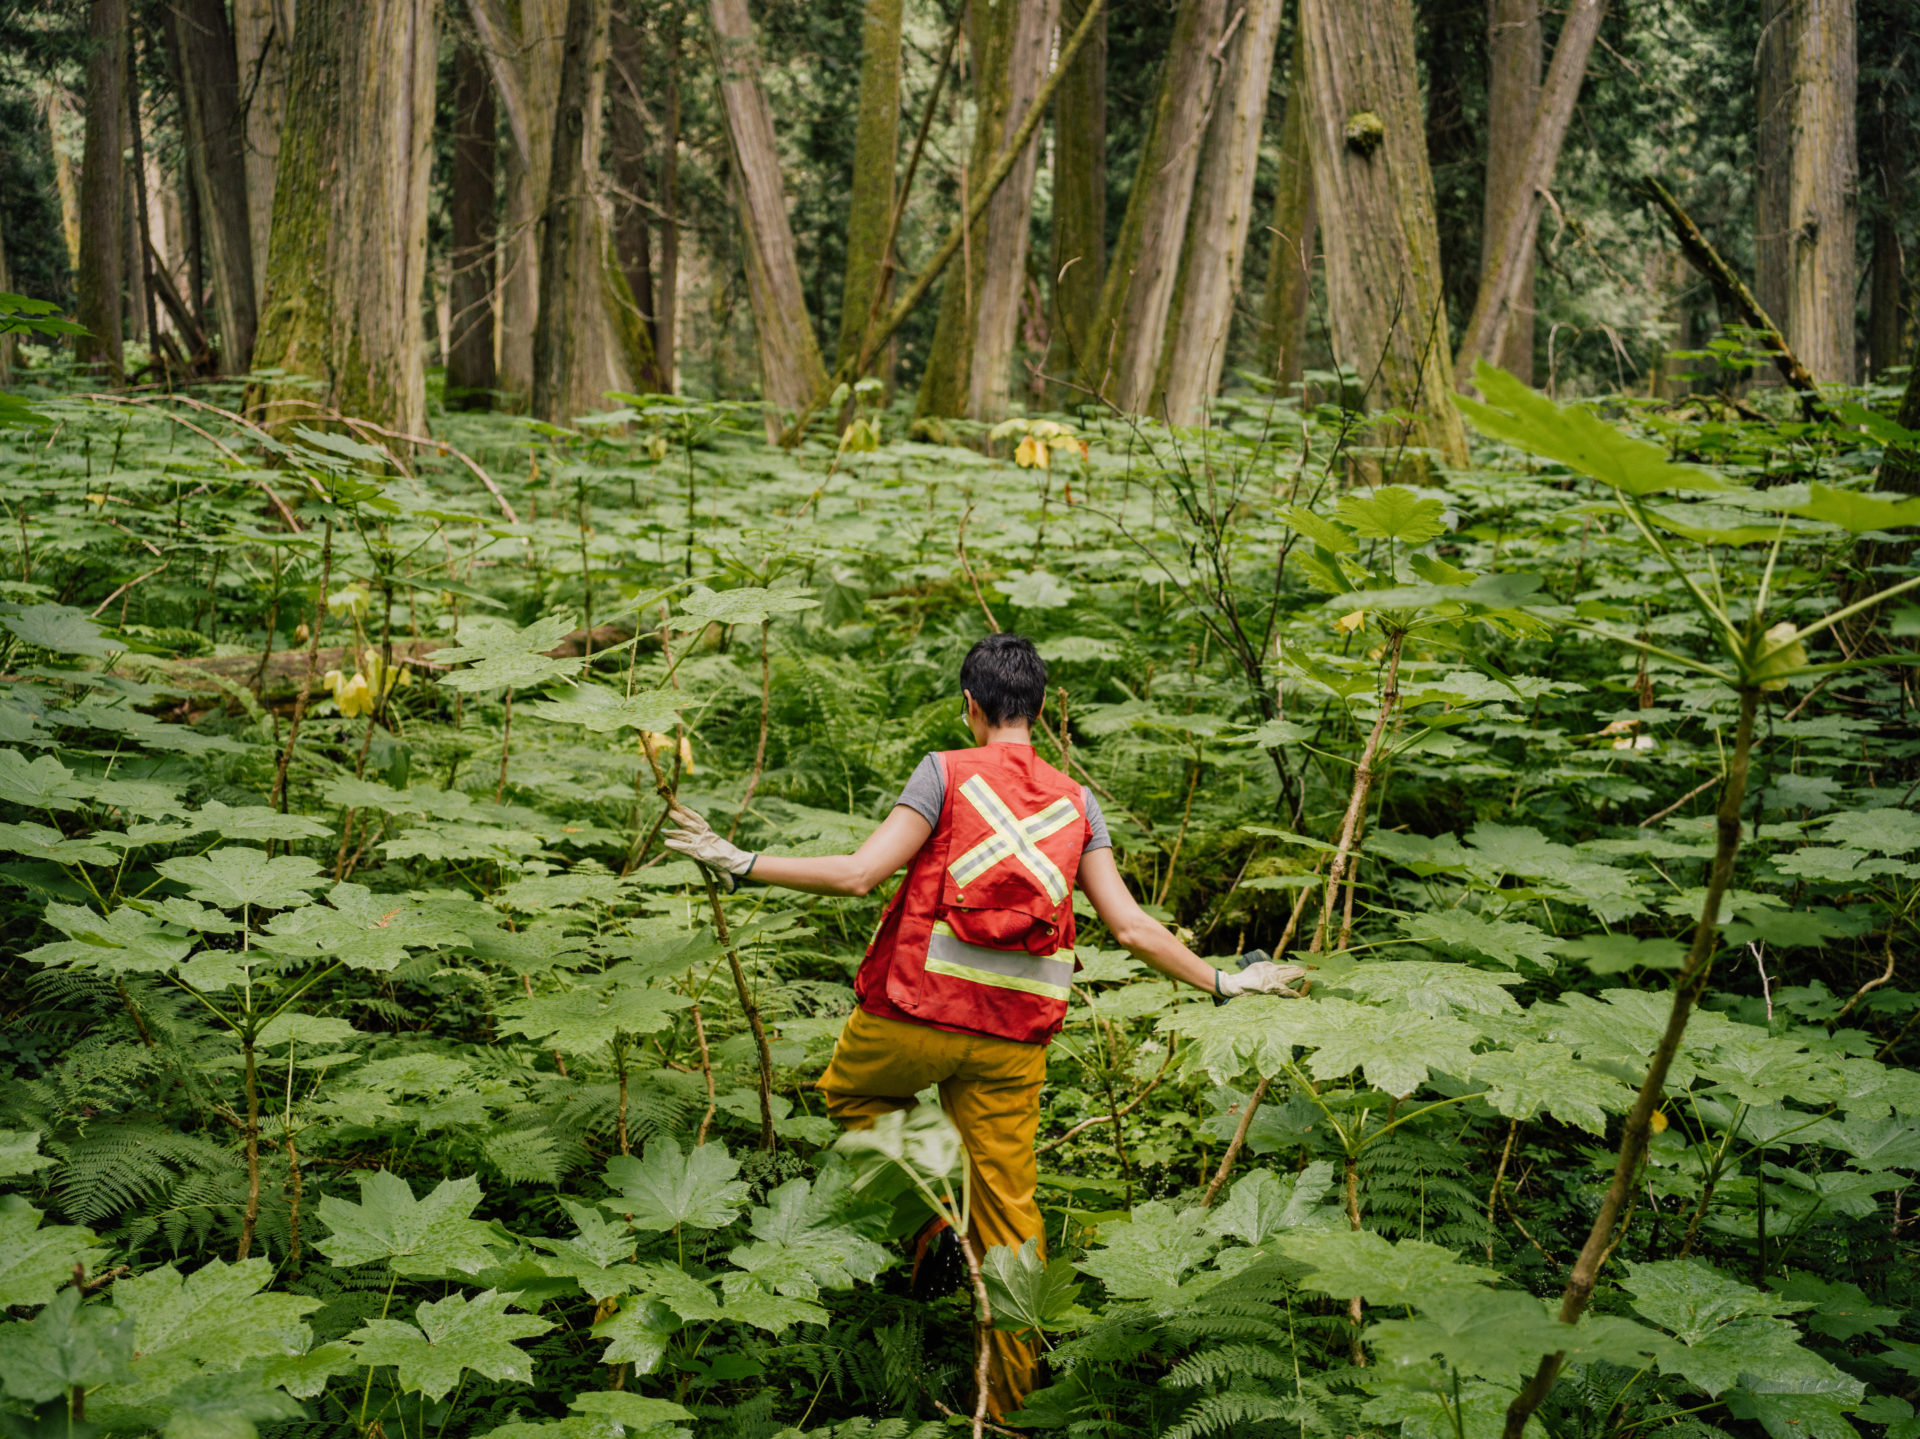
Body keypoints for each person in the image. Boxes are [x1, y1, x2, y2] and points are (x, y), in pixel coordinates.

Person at [664, 632, 1305, 1418]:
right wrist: (1224, 980)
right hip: (1013, 1040)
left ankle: (937, 1215)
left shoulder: (945, 771)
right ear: (1042, 712)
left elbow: (861, 873)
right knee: (1012, 1216)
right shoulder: (1079, 801)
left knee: (853, 1097)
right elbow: (1132, 926)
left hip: (911, 1013)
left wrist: (741, 859)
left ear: (970, 705)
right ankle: (1009, 1410)